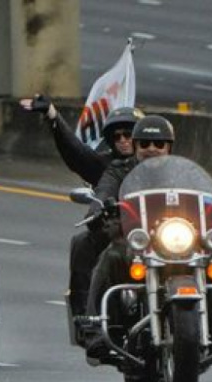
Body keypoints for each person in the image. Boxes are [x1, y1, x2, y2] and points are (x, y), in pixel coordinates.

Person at [83, 115, 212, 358]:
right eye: (145, 144)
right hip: (138, 242)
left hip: (180, 239)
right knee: (111, 255)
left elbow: (208, 201)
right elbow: (104, 192)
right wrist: (99, 208)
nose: (152, 149)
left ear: (169, 147)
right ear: (136, 146)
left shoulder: (186, 172)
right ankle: (96, 329)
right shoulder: (119, 170)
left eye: (159, 144)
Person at [22, 95, 146, 328]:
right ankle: (87, 317)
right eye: (117, 136)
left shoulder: (169, 167)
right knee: (83, 243)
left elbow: (195, 192)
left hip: (165, 233)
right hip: (124, 233)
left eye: (129, 135)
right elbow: (78, 155)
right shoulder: (111, 168)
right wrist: (53, 117)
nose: (123, 141)